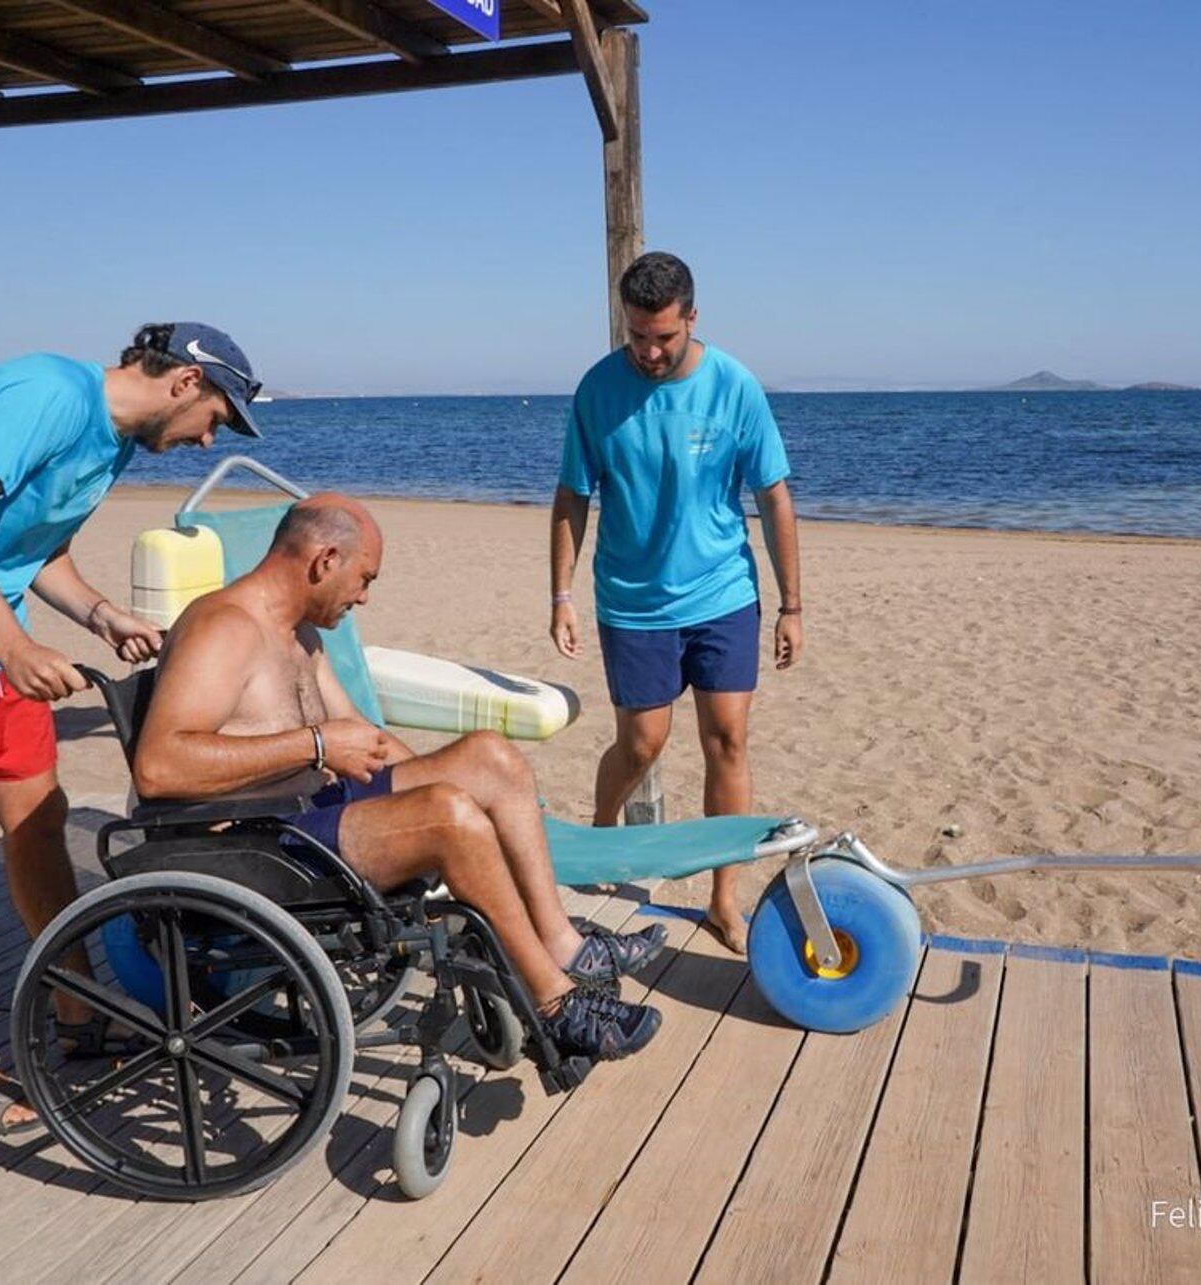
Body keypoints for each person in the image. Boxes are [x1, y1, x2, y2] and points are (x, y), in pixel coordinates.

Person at [0, 322, 263, 1136]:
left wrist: (100, 614)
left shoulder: (115, 442)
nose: (210, 440)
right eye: (216, 418)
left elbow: (34, 545)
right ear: (184, 383)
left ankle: (78, 1010)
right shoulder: (49, 395)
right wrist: (15, 646)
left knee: (38, 817)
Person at [133, 494, 664, 1062]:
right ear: (325, 560)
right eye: (364, 579)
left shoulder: (300, 636)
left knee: (492, 758)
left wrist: (437, 781)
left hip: (308, 814)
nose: (363, 597)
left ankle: (564, 946)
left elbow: (368, 742)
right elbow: (158, 768)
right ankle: (556, 1007)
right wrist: (317, 745)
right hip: (256, 842)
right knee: (447, 816)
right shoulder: (224, 627)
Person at [549, 252, 803, 953]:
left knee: (728, 739)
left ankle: (724, 899)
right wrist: (561, 593)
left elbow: (774, 495)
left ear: (692, 317)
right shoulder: (598, 390)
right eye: (637, 336)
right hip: (632, 601)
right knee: (642, 743)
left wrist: (792, 605)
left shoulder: (735, 386)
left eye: (663, 336)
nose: (650, 351)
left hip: (723, 592)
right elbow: (572, 494)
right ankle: (601, 837)